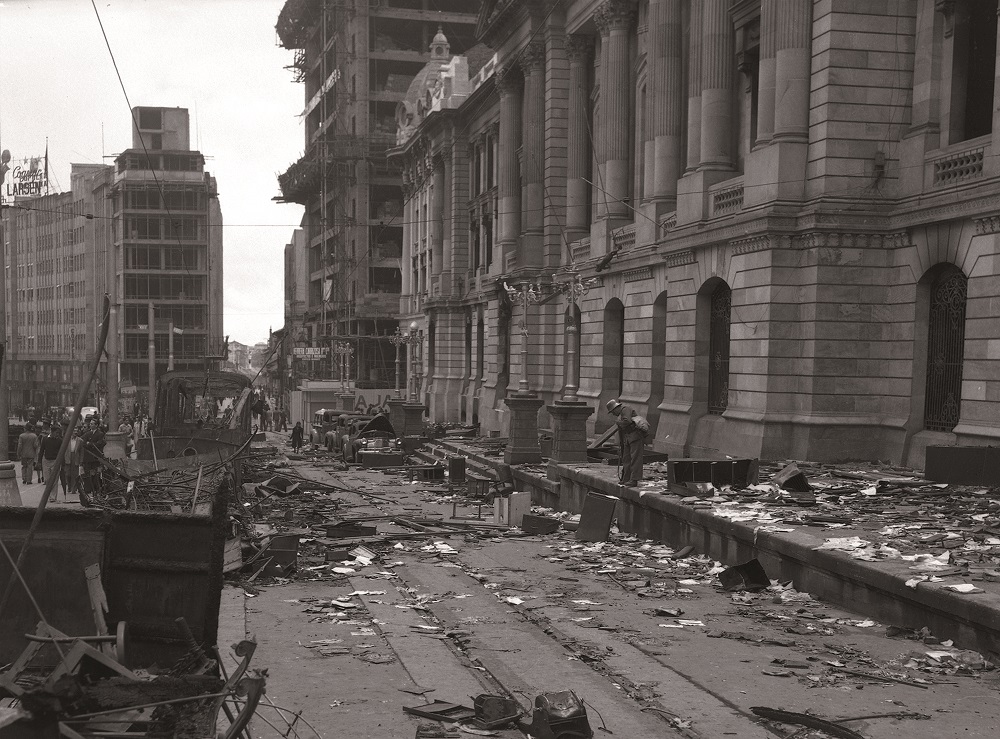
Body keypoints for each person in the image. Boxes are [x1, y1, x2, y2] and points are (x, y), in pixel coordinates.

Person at [606, 399, 650, 488]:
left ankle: (634, 480)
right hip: (628, 438)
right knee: (626, 458)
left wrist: (618, 422)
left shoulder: (625, 410)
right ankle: (626, 478)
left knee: (635, 458)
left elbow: (627, 421)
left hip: (635, 437)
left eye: (612, 412)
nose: (613, 414)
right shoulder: (620, 414)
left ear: (616, 408)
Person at [39, 424, 64, 498]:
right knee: (48, 480)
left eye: (58, 433)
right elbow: (41, 450)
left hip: (55, 461)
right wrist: (39, 461)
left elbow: (61, 452)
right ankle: (48, 494)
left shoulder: (60, 441)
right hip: (46, 461)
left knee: (54, 480)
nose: (57, 434)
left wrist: (62, 463)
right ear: (52, 432)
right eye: (56, 433)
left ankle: (53, 496)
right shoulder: (45, 439)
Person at [66, 426, 86, 504]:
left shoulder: (80, 440)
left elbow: (81, 452)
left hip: (76, 456)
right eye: (74, 431)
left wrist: (81, 461)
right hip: (68, 456)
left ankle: (74, 488)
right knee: (67, 473)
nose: (75, 432)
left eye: (76, 431)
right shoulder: (67, 439)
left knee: (75, 474)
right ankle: (69, 486)